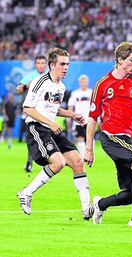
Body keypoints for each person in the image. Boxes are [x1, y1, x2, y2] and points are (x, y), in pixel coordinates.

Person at [17, 48, 93, 220]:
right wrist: (50, 123)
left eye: (67, 64)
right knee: (58, 162)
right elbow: (27, 108)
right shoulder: (40, 81)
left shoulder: (61, 86)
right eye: (62, 64)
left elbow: (53, 108)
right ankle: (26, 193)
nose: (66, 67)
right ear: (52, 65)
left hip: (50, 129)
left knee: (77, 161)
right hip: (37, 127)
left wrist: (72, 115)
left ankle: (87, 209)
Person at [84, 42, 132, 227]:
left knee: (131, 193)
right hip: (111, 136)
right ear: (120, 60)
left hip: (130, 139)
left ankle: (100, 204)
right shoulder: (102, 84)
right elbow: (92, 118)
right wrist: (89, 148)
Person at [16, 55, 47, 172]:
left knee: (45, 136)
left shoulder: (49, 76)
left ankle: (47, 161)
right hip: (33, 111)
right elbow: (18, 90)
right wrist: (25, 86)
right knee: (33, 137)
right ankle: (29, 162)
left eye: (43, 63)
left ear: (46, 64)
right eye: (38, 63)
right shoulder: (31, 75)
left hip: (46, 111)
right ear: (35, 65)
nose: (41, 65)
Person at [67, 74, 92, 158]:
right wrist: (70, 116)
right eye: (82, 81)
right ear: (79, 82)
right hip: (79, 120)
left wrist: (98, 118)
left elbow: (96, 106)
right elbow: (71, 105)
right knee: (80, 138)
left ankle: (90, 155)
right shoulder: (75, 93)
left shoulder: (91, 92)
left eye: (85, 81)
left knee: (90, 138)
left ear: (87, 82)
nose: (83, 83)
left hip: (90, 119)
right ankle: (81, 156)